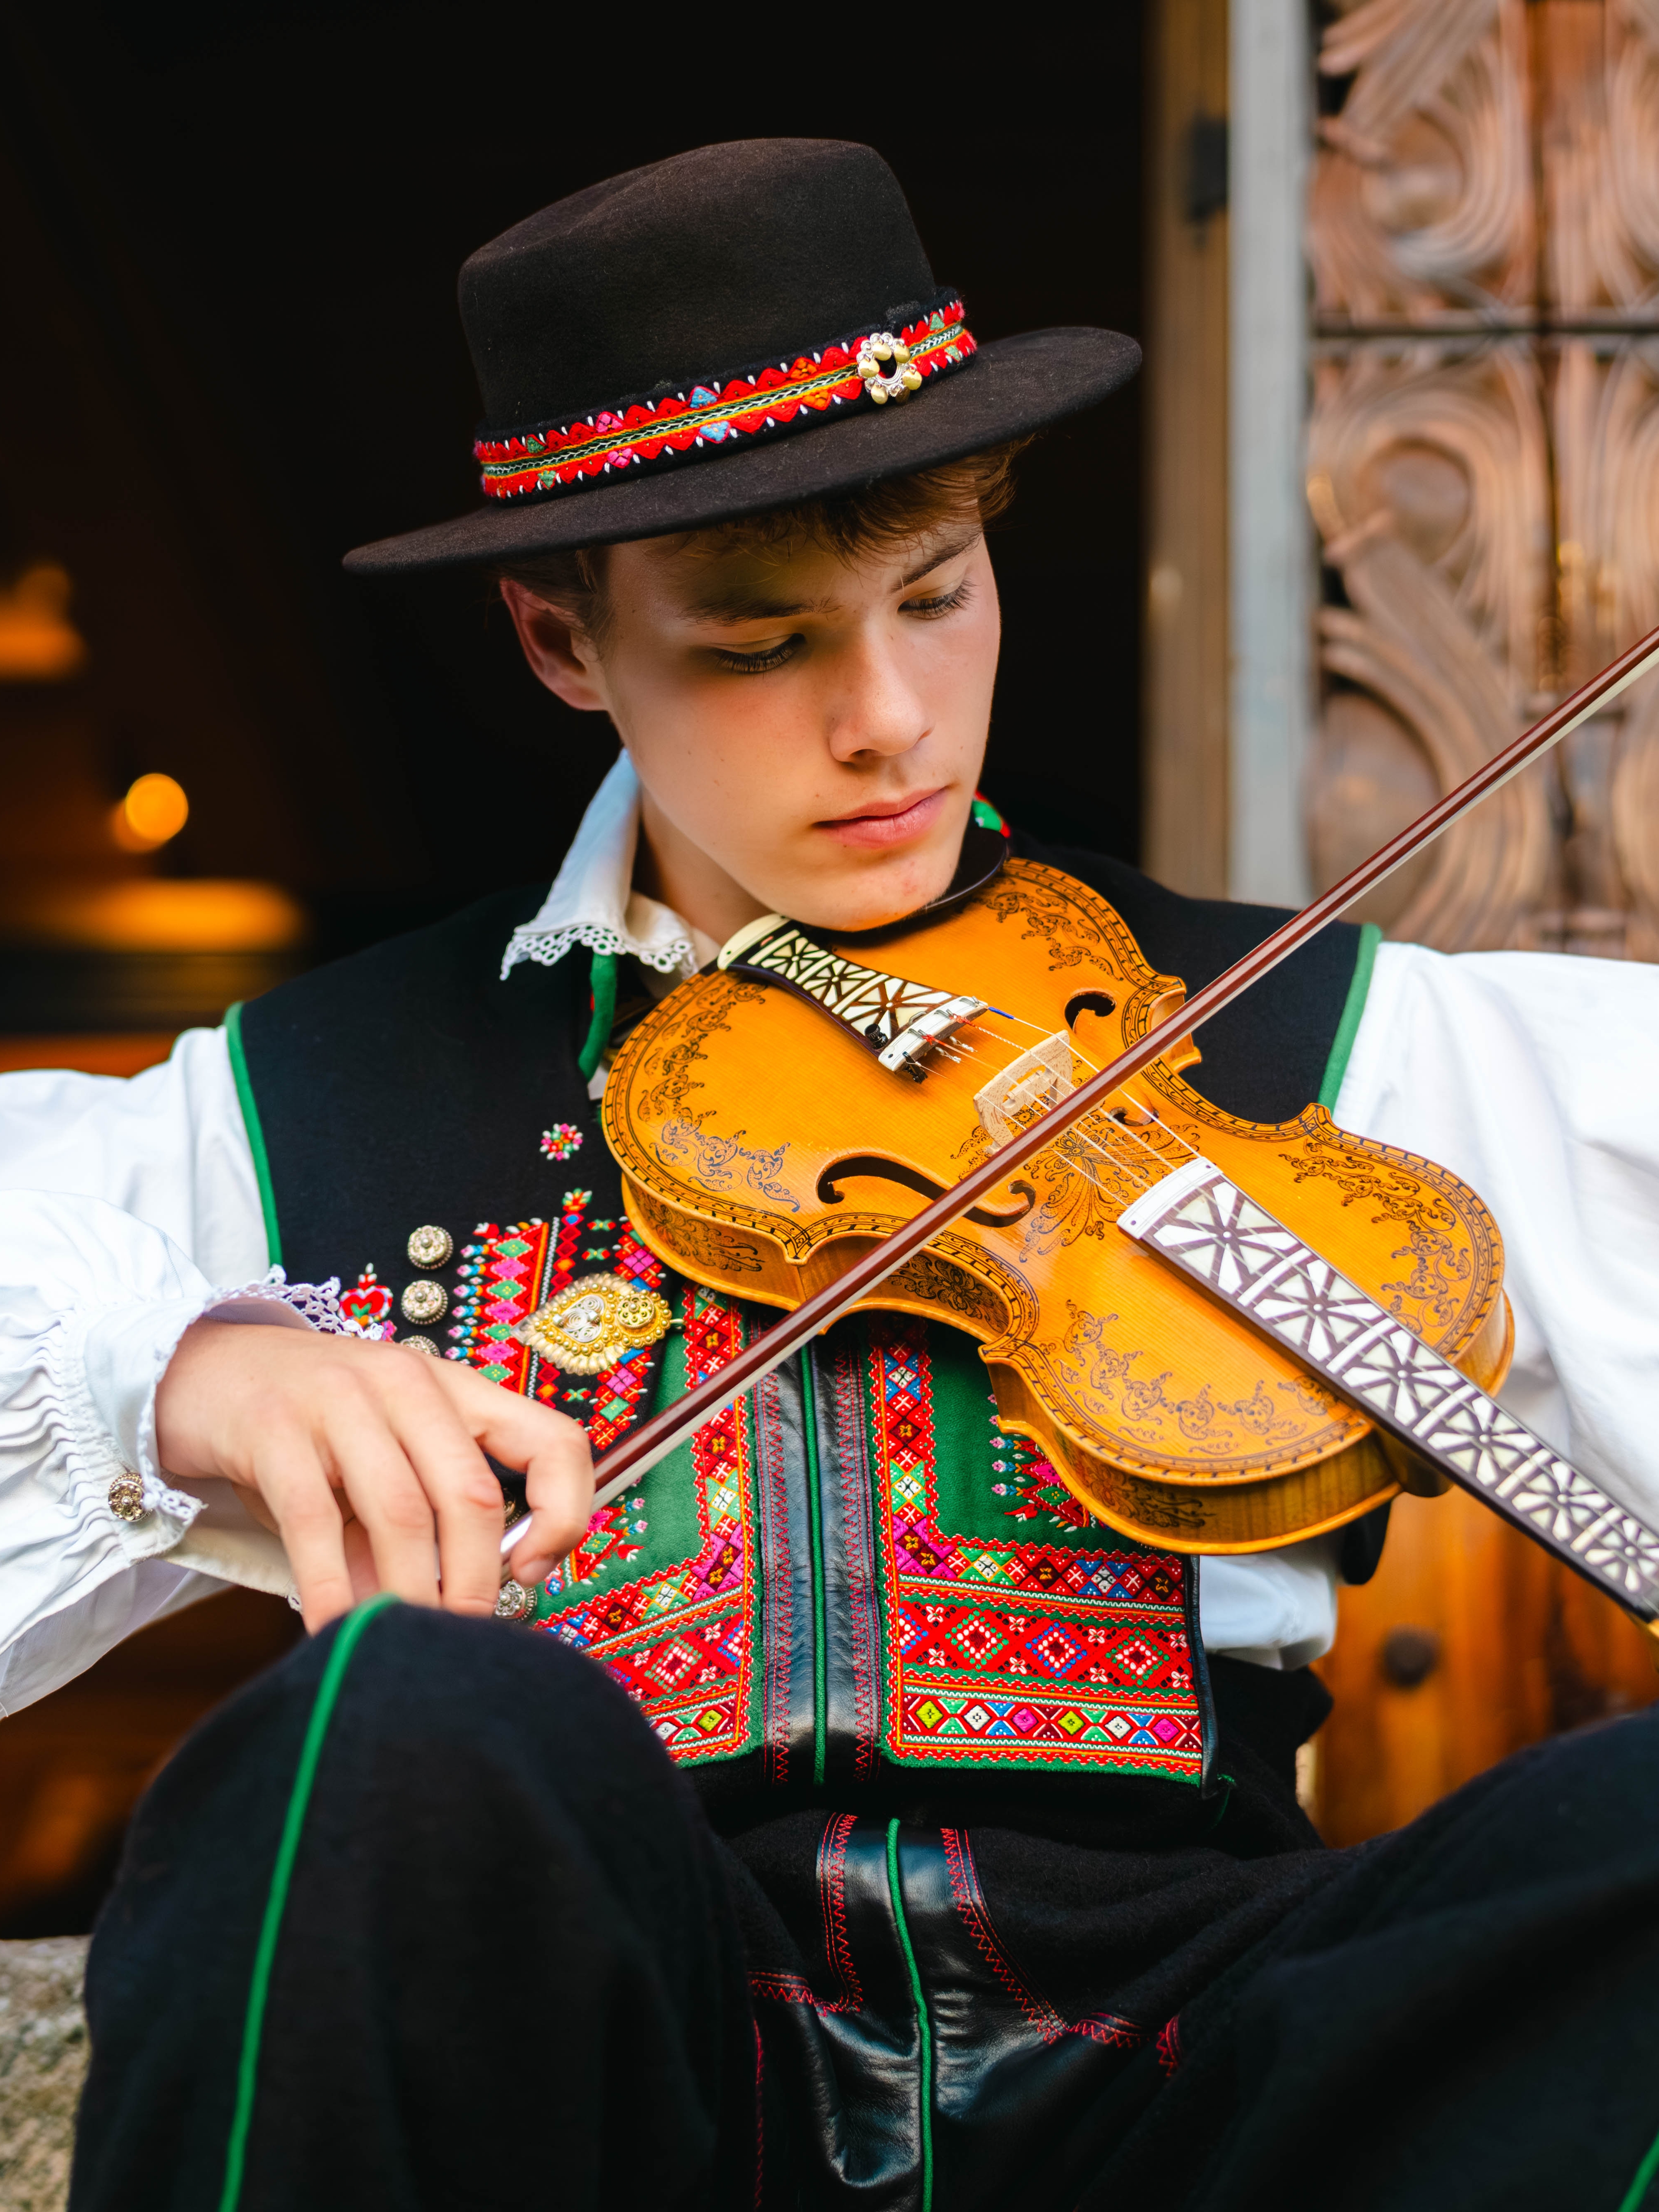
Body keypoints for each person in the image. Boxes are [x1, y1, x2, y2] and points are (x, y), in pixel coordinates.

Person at [3, 139, 1659, 2212]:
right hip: (632, 2054)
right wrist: (169, 1366)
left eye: (936, 594)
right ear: (559, 639)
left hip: (1213, 2052)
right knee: (386, 1729)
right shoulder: (299, 1095)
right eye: (762, 637)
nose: (887, 720)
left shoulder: (1297, 1041)